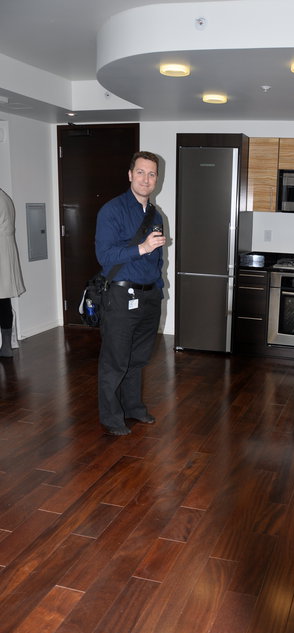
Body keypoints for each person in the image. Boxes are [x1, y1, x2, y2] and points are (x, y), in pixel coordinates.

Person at [95, 151, 166, 435]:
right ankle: (112, 418)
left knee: (137, 359)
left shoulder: (155, 214)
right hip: (122, 296)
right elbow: (105, 255)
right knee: (115, 361)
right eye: (140, 172)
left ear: (156, 179)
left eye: (151, 174)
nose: (146, 179)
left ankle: (133, 408)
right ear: (130, 175)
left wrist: (158, 289)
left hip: (149, 297)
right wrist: (142, 247)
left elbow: (158, 259)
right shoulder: (112, 210)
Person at [0, 188, 26, 358]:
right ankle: (7, 346)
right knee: (3, 300)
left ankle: (7, 346)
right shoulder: (5, 197)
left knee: (2, 301)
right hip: (5, 253)